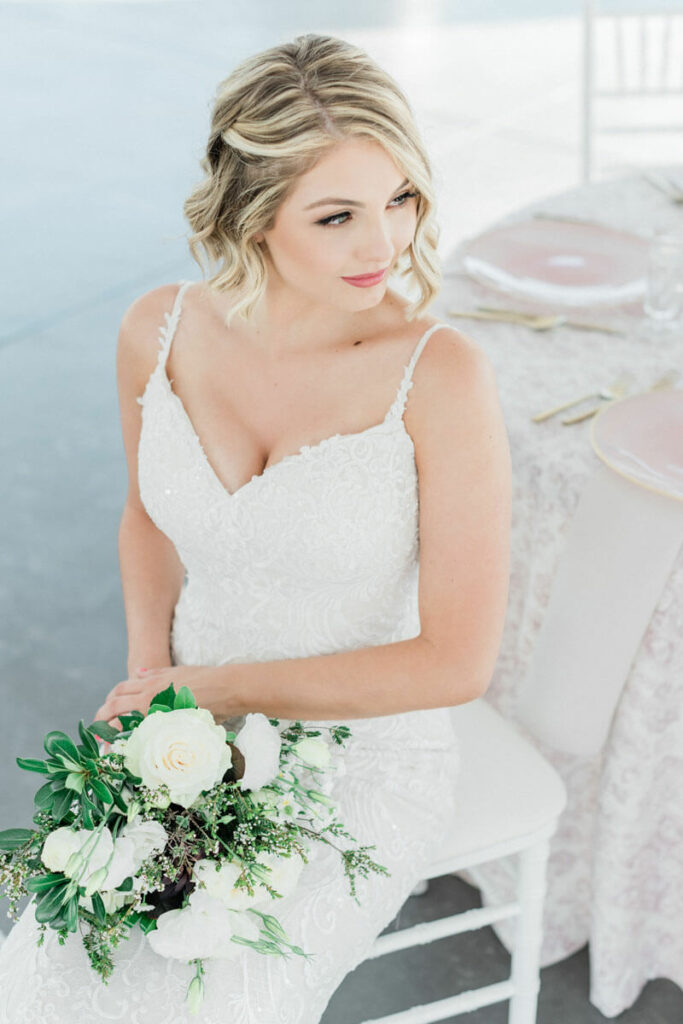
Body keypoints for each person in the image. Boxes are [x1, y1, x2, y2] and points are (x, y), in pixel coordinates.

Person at [0, 33, 511, 1023]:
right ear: (254, 215)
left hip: (360, 756)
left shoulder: (440, 377)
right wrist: (152, 690)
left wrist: (209, 687)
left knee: (218, 1002)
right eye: (338, 215)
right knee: (44, 982)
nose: (385, 243)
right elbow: (147, 517)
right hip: (184, 725)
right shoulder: (156, 330)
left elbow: (456, 662)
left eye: (399, 198)